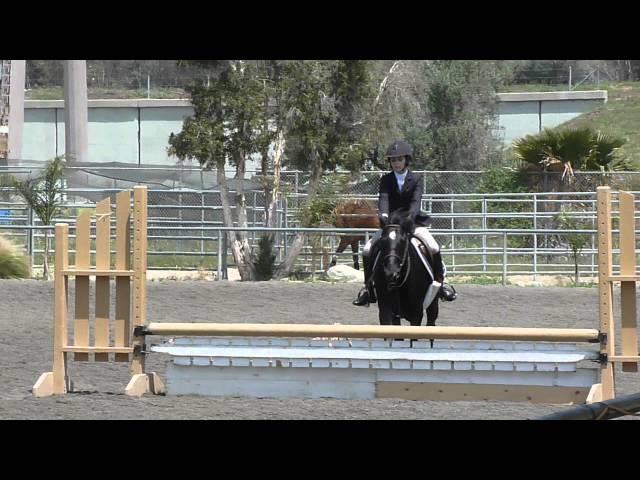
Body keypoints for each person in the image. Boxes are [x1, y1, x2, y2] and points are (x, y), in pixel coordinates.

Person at [353, 140, 457, 306]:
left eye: (399, 159)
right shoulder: (386, 180)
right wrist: (384, 214)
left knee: (434, 247)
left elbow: (416, 201)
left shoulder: (416, 178)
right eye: (393, 160)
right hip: (391, 224)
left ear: (406, 160)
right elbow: (384, 198)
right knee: (367, 249)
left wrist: (410, 217)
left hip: (412, 223)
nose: (396, 163)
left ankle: (441, 284)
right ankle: (368, 289)